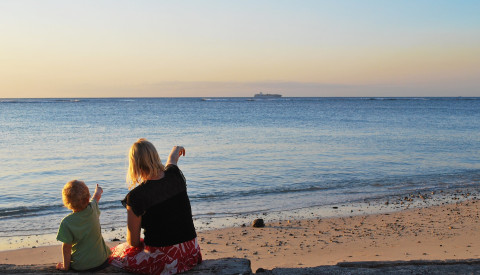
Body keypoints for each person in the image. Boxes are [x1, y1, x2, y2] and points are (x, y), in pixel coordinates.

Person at [109, 138, 202, 274]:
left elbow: (133, 241)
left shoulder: (135, 197)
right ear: (156, 156)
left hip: (165, 262)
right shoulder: (175, 175)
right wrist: (177, 148)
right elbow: (172, 160)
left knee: (115, 255)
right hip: (191, 253)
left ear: (134, 164)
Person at [56, 180, 111, 272]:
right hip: (103, 261)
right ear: (87, 198)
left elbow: (66, 247)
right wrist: (98, 190)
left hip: (81, 266)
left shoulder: (67, 222)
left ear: (66, 202)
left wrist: (65, 267)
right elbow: (96, 197)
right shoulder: (92, 208)